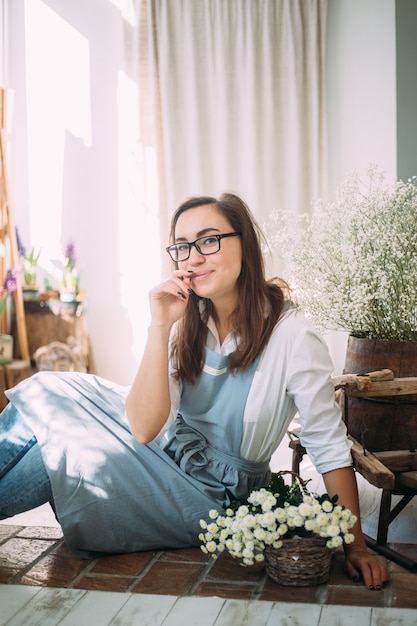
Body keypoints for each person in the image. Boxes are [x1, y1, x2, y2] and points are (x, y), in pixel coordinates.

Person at [0, 193, 387, 590]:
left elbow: (327, 444)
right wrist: (160, 325)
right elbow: (145, 426)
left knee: (58, 447)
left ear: (245, 245)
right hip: (160, 448)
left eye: (208, 240)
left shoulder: (292, 336)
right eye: (182, 247)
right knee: (49, 392)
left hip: (211, 493)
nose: (192, 257)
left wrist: (354, 548)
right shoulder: (189, 319)